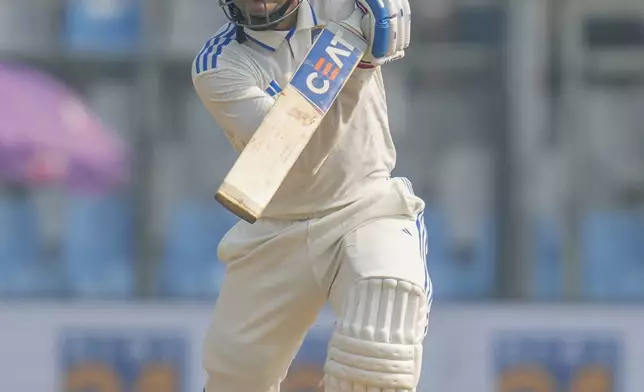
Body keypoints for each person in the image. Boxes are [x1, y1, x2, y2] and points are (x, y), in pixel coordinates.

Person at [191, 0, 432, 390]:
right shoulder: (220, 65)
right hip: (276, 229)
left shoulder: (341, 6)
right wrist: (360, 60)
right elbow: (293, 153)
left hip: (365, 205)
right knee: (237, 380)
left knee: (381, 336)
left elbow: (392, 14)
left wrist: (392, 14)